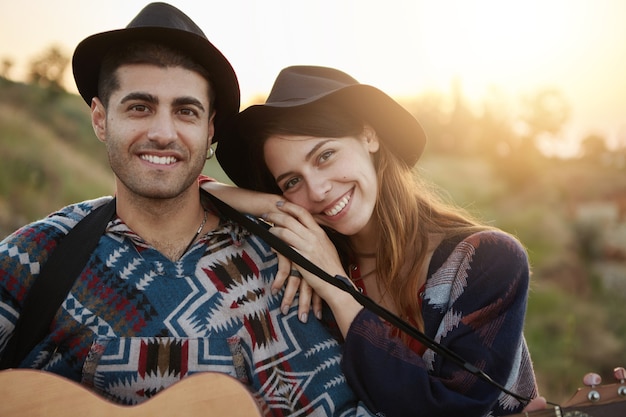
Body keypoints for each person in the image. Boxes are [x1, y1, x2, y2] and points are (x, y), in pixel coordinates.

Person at [0, 5, 374, 416]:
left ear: (209, 130)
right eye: (139, 107)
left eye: (186, 111)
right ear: (100, 119)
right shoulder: (33, 259)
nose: (163, 133)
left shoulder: (281, 268)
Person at [211, 65, 545, 416]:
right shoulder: (305, 264)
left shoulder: (486, 261)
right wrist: (269, 204)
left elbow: (449, 409)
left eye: (325, 156)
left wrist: (339, 291)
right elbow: (185, 184)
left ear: (369, 137)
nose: (318, 190)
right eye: (292, 182)